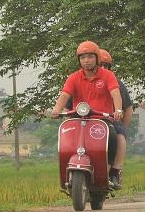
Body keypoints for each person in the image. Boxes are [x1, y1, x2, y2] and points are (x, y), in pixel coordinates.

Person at [51, 41, 127, 188]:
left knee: (113, 135)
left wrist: (118, 109)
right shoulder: (73, 77)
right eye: (83, 57)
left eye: (90, 57)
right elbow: (65, 95)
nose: (86, 61)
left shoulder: (108, 76)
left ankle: (111, 171)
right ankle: (66, 170)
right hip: (78, 120)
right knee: (66, 138)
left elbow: (115, 93)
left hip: (102, 120)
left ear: (97, 58)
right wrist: (56, 109)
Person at [98, 49, 134, 130]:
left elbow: (128, 108)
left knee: (119, 135)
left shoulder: (117, 83)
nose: (103, 68)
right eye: (100, 65)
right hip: (86, 122)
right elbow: (68, 107)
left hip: (110, 122)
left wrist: (123, 128)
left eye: (106, 65)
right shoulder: (80, 80)